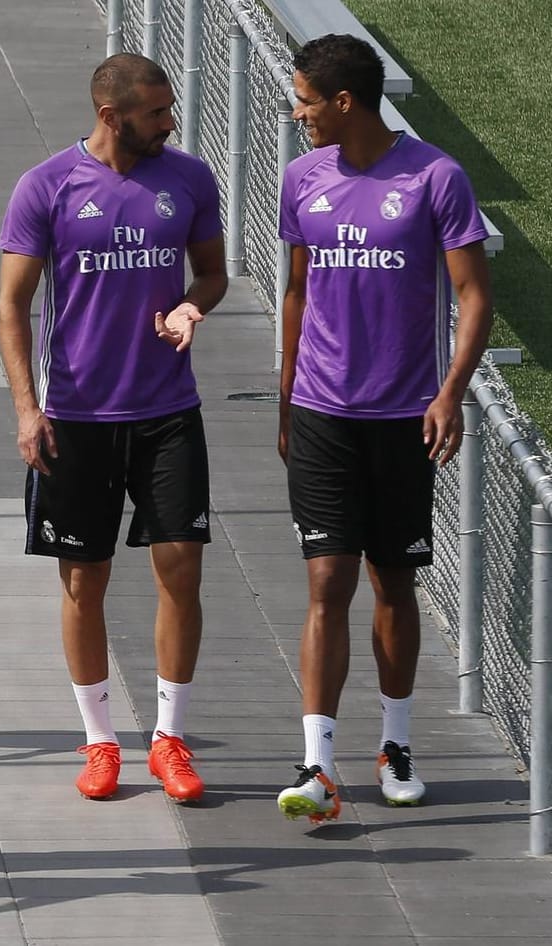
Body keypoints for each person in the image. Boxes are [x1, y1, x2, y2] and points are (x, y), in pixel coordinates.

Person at [0, 53, 227, 804]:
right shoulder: (47, 187)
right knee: (84, 580)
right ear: (110, 115)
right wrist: (28, 408)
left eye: (168, 110)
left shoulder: (189, 179)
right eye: (156, 113)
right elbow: (13, 305)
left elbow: (213, 273)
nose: (170, 123)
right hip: (77, 418)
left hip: (168, 413)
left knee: (181, 569)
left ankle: (169, 738)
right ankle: (99, 741)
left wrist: (195, 304)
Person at [275, 34, 492, 822]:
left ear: (343, 101)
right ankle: (319, 763)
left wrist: (449, 393)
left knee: (392, 581)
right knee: (326, 579)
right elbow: (297, 291)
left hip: (405, 417)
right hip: (323, 412)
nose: (296, 112)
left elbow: (473, 295)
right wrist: (285, 395)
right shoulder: (303, 177)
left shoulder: (437, 177)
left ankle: (396, 745)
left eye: (304, 98)